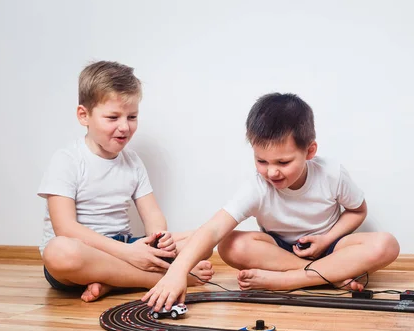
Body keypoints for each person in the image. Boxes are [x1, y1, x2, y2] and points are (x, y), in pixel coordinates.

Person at [143, 92, 399, 311]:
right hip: (279, 255)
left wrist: (326, 239)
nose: (272, 172)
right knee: (230, 245)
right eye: (261, 161)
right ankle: (327, 275)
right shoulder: (257, 186)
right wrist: (176, 272)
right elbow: (212, 229)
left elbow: (358, 210)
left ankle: (290, 281)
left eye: (283, 162)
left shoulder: (332, 174)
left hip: (330, 247)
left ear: (310, 151)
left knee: (386, 244)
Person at [38, 60, 213, 302]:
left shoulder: (132, 161)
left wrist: (159, 240)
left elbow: (152, 215)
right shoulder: (67, 160)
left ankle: (112, 282)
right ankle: (165, 277)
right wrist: (129, 254)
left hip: (126, 245)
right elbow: (65, 229)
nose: (124, 127)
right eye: (112, 117)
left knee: (203, 239)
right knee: (60, 252)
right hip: (87, 252)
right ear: (83, 115)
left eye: (132, 117)